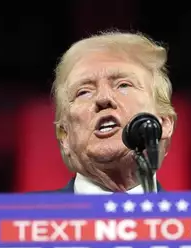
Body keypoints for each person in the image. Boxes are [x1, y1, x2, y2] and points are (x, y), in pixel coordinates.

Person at [46, 29, 177, 194]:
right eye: (84, 92)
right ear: (64, 135)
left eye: (123, 85)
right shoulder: (22, 217)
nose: (103, 98)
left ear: (163, 122)